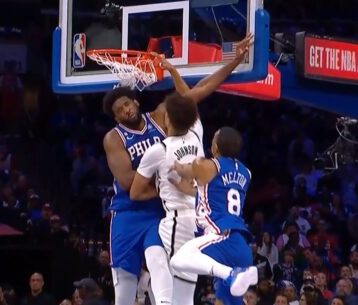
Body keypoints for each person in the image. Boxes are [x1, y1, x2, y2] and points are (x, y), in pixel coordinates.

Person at [103, 32, 254, 305]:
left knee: (161, 257)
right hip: (131, 209)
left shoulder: (161, 125)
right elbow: (129, 185)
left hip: (166, 212)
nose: (125, 109)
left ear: (136, 102)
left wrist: (233, 62)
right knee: (127, 284)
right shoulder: (116, 138)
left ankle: (160, 297)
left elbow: (199, 91)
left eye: (127, 103)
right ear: (116, 117)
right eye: (119, 109)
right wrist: (169, 185)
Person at [169, 127, 258, 305]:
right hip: (240, 244)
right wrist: (178, 185)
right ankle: (233, 274)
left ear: (215, 147)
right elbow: (206, 194)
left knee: (178, 260)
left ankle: (231, 274)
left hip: (221, 235)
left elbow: (187, 171)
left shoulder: (207, 165)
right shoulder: (246, 173)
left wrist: (175, 166)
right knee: (223, 302)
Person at [130, 93, 203, 305]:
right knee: (153, 252)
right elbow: (191, 99)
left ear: (167, 119)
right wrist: (173, 73)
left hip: (178, 219)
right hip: (198, 217)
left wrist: (159, 189)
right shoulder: (196, 135)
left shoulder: (158, 151)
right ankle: (161, 300)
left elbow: (135, 193)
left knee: (181, 286)